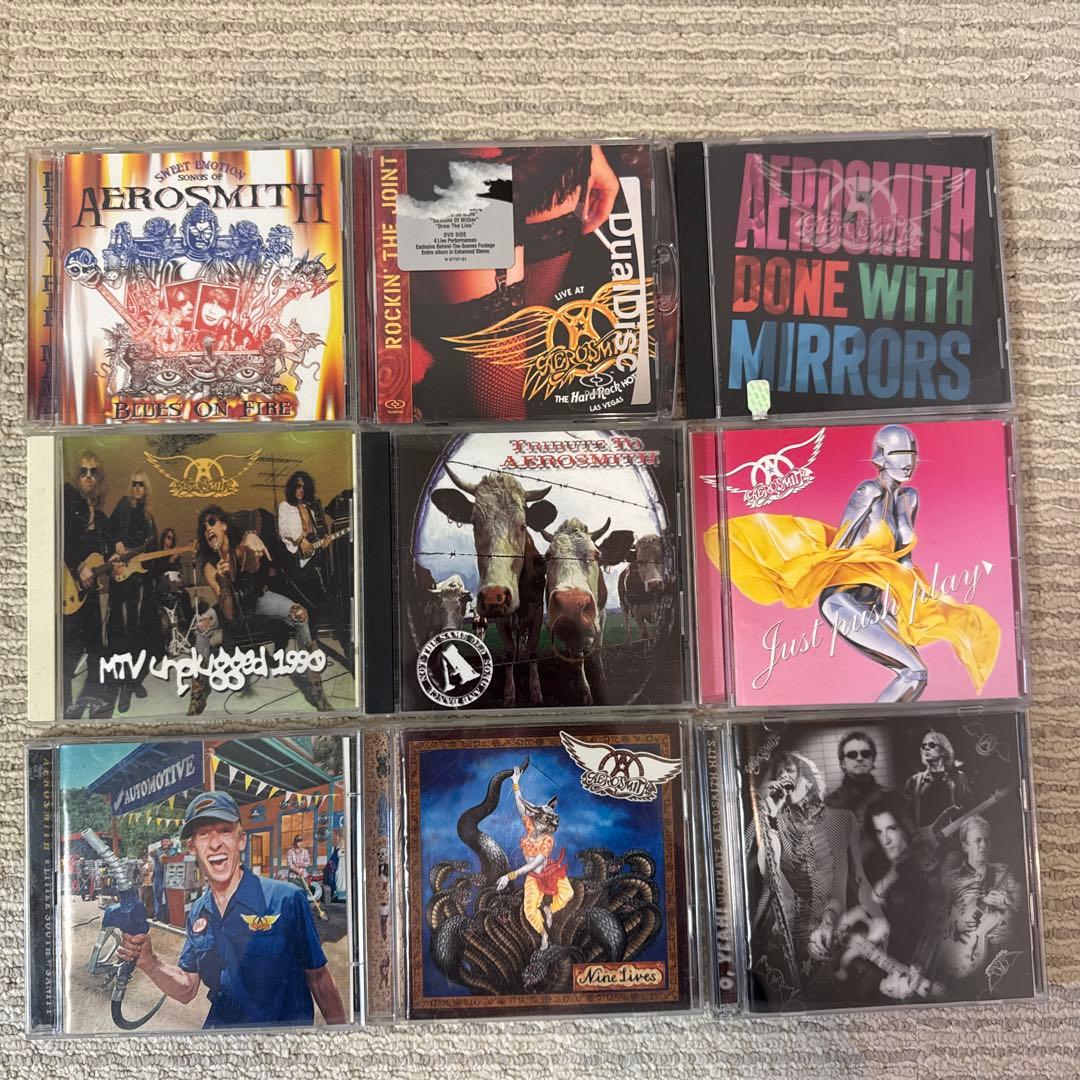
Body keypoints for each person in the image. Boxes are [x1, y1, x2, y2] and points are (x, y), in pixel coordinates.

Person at [726, 425, 1001, 703]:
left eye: (912, 454)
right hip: (843, 599)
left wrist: (912, 602)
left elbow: (904, 559)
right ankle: (883, 723)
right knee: (914, 673)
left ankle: (886, 722)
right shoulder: (867, 491)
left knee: (918, 671)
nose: (908, 462)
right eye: (899, 453)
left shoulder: (910, 498)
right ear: (881, 456)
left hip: (875, 603)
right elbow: (840, 545)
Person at [116, 790, 346, 1029]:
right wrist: (150, 963)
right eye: (203, 834)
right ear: (192, 847)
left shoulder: (286, 899)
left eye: (225, 830)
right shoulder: (198, 913)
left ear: (241, 840)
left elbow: (319, 979)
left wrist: (342, 1037)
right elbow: (187, 989)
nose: (215, 843)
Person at [746, 750, 879, 997]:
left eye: (789, 770)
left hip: (832, 927)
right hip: (784, 932)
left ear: (808, 779)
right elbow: (769, 876)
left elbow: (854, 881)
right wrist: (770, 819)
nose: (783, 777)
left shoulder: (842, 820)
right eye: (778, 773)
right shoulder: (776, 822)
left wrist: (877, 917)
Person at [190, 504, 330, 714]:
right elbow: (229, 615)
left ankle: (316, 688)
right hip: (232, 607)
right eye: (204, 527)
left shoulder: (241, 548)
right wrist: (224, 581)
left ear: (224, 525)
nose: (208, 528)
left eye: (211, 522)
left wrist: (250, 543)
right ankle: (199, 692)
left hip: (257, 598)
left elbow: (252, 564)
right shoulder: (209, 566)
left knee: (300, 614)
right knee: (201, 627)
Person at [62, 451, 117, 718]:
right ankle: (65, 707)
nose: (88, 476)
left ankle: (95, 701)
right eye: (83, 471)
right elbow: (59, 540)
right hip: (68, 588)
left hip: (91, 594)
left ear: (100, 478)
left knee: (96, 647)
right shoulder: (66, 499)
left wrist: (114, 561)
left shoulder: (103, 519)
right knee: (69, 651)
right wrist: (78, 566)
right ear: (76, 475)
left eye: (93, 472)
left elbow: (104, 556)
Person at [938, 815, 1021, 990]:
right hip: (964, 957)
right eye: (977, 840)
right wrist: (957, 926)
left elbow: (1023, 914)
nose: (983, 845)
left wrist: (1006, 905)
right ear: (965, 845)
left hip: (1003, 958)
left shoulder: (1004, 872)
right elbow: (937, 921)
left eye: (987, 840)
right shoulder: (951, 880)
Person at [108, 470, 157, 712]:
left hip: (139, 580)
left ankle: (134, 680)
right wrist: (118, 544)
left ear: (146, 489)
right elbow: (109, 531)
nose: (137, 488)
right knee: (123, 628)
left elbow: (153, 546)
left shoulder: (148, 517)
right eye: (134, 484)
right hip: (121, 577)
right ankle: (126, 684)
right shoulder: (123, 505)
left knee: (137, 629)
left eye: (141, 485)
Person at [903, 730, 974, 829]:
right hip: (925, 835)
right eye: (923, 746)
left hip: (952, 834)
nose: (926, 748)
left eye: (931, 745)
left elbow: (969, 808)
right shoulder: (914, 780)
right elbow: (905, 815)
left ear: (944, 750)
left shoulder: (959, 777)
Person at [824, 731, 889, 822]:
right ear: (843, 763)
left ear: (873, 760)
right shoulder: (830, 804)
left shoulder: (891, 797)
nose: (859, 758)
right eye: (852, 755)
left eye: (865, 754)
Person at [286, 833, 326, 922]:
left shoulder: (305, 851)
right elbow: (290, 864)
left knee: (303, 895)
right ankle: (293, 914)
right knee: (293, 895)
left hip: (303, 876)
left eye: (301, 842)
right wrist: (297, 870)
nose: (300, 843)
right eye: (298, 842)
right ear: (295, 842)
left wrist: (301, 866)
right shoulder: (290, 852)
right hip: (293, 877)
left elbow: (307, 862)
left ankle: (303, 914)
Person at [150, 834, 173, 923]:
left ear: (170, 842)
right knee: (157, 895)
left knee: (169, 895)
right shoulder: (157, 850)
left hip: (169, 875)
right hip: (158, 875)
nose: (165, 843)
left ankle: (168, 916)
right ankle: (157, 914)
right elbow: (151, 854)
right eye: (163, 841)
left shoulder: (173, 851)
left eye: (166, 841)